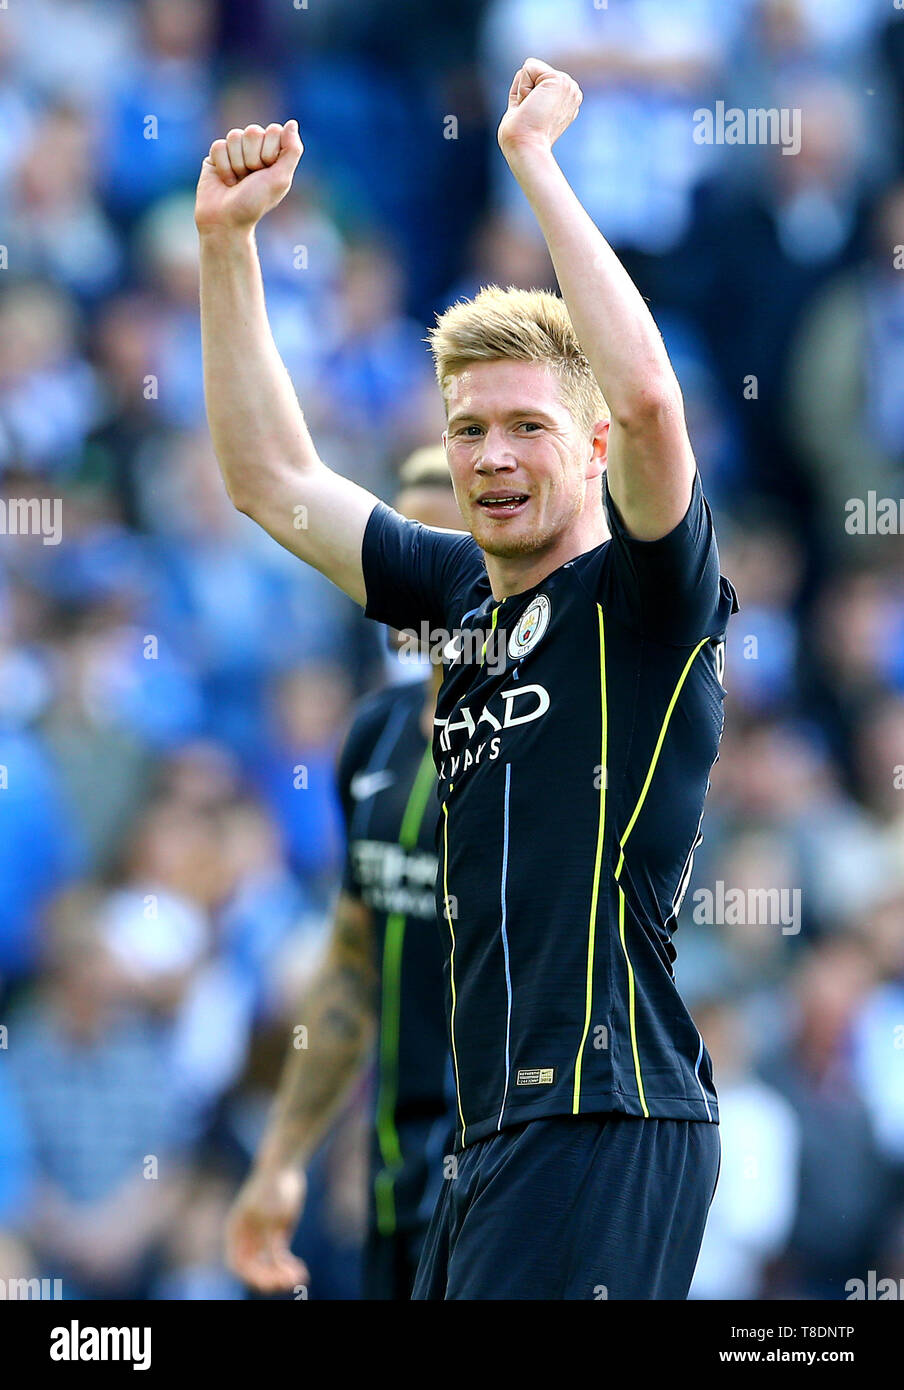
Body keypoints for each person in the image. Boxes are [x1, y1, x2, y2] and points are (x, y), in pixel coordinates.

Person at [196, 56, 738, 1300]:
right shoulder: (456, 600)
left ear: (590, 450)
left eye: (528, 426)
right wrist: (227, 250)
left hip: (608, 1112)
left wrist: (535, 167)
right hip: (493, 1137)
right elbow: (271, 481)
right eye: (467, 429)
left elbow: (651, 401)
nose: (490, 457)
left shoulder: (643, 601)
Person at [224, 449, 461, 1300]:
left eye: (434, 538)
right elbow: (354, 964)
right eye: (398, 533)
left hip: (517, 1181)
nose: (406, 565)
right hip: (396, 1179)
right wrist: (283, 1159)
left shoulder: (554, 737)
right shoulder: (374, 736)